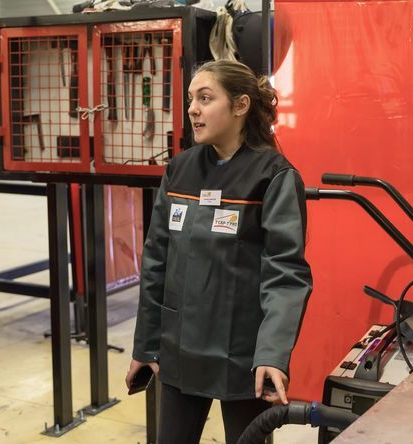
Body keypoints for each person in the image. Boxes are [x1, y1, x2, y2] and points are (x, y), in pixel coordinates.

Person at [125, 59, 313, 443]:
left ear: (241, 105)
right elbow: (156, 263)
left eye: (205, 98)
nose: (193, 108)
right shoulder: (180, 170)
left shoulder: (273, 176)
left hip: (243, 356)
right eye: (191, 98)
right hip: (179, 350)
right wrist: (145, 345)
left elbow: (286, 275)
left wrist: (271, 354)